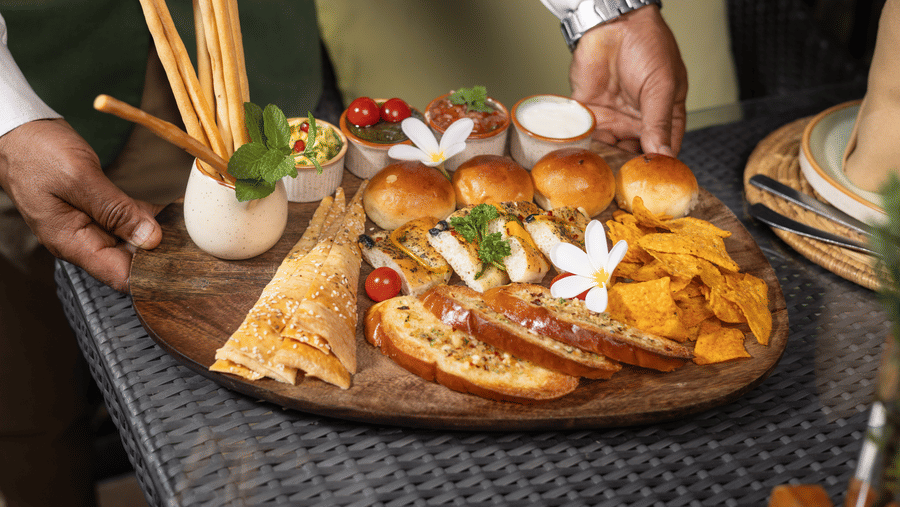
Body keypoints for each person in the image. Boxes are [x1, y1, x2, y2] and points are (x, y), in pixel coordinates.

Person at [0, 1, 687, 506]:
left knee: (288, 446)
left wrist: (606, 12)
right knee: (30, 417)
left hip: (275, 119)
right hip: (37, 104)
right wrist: (10, 120)